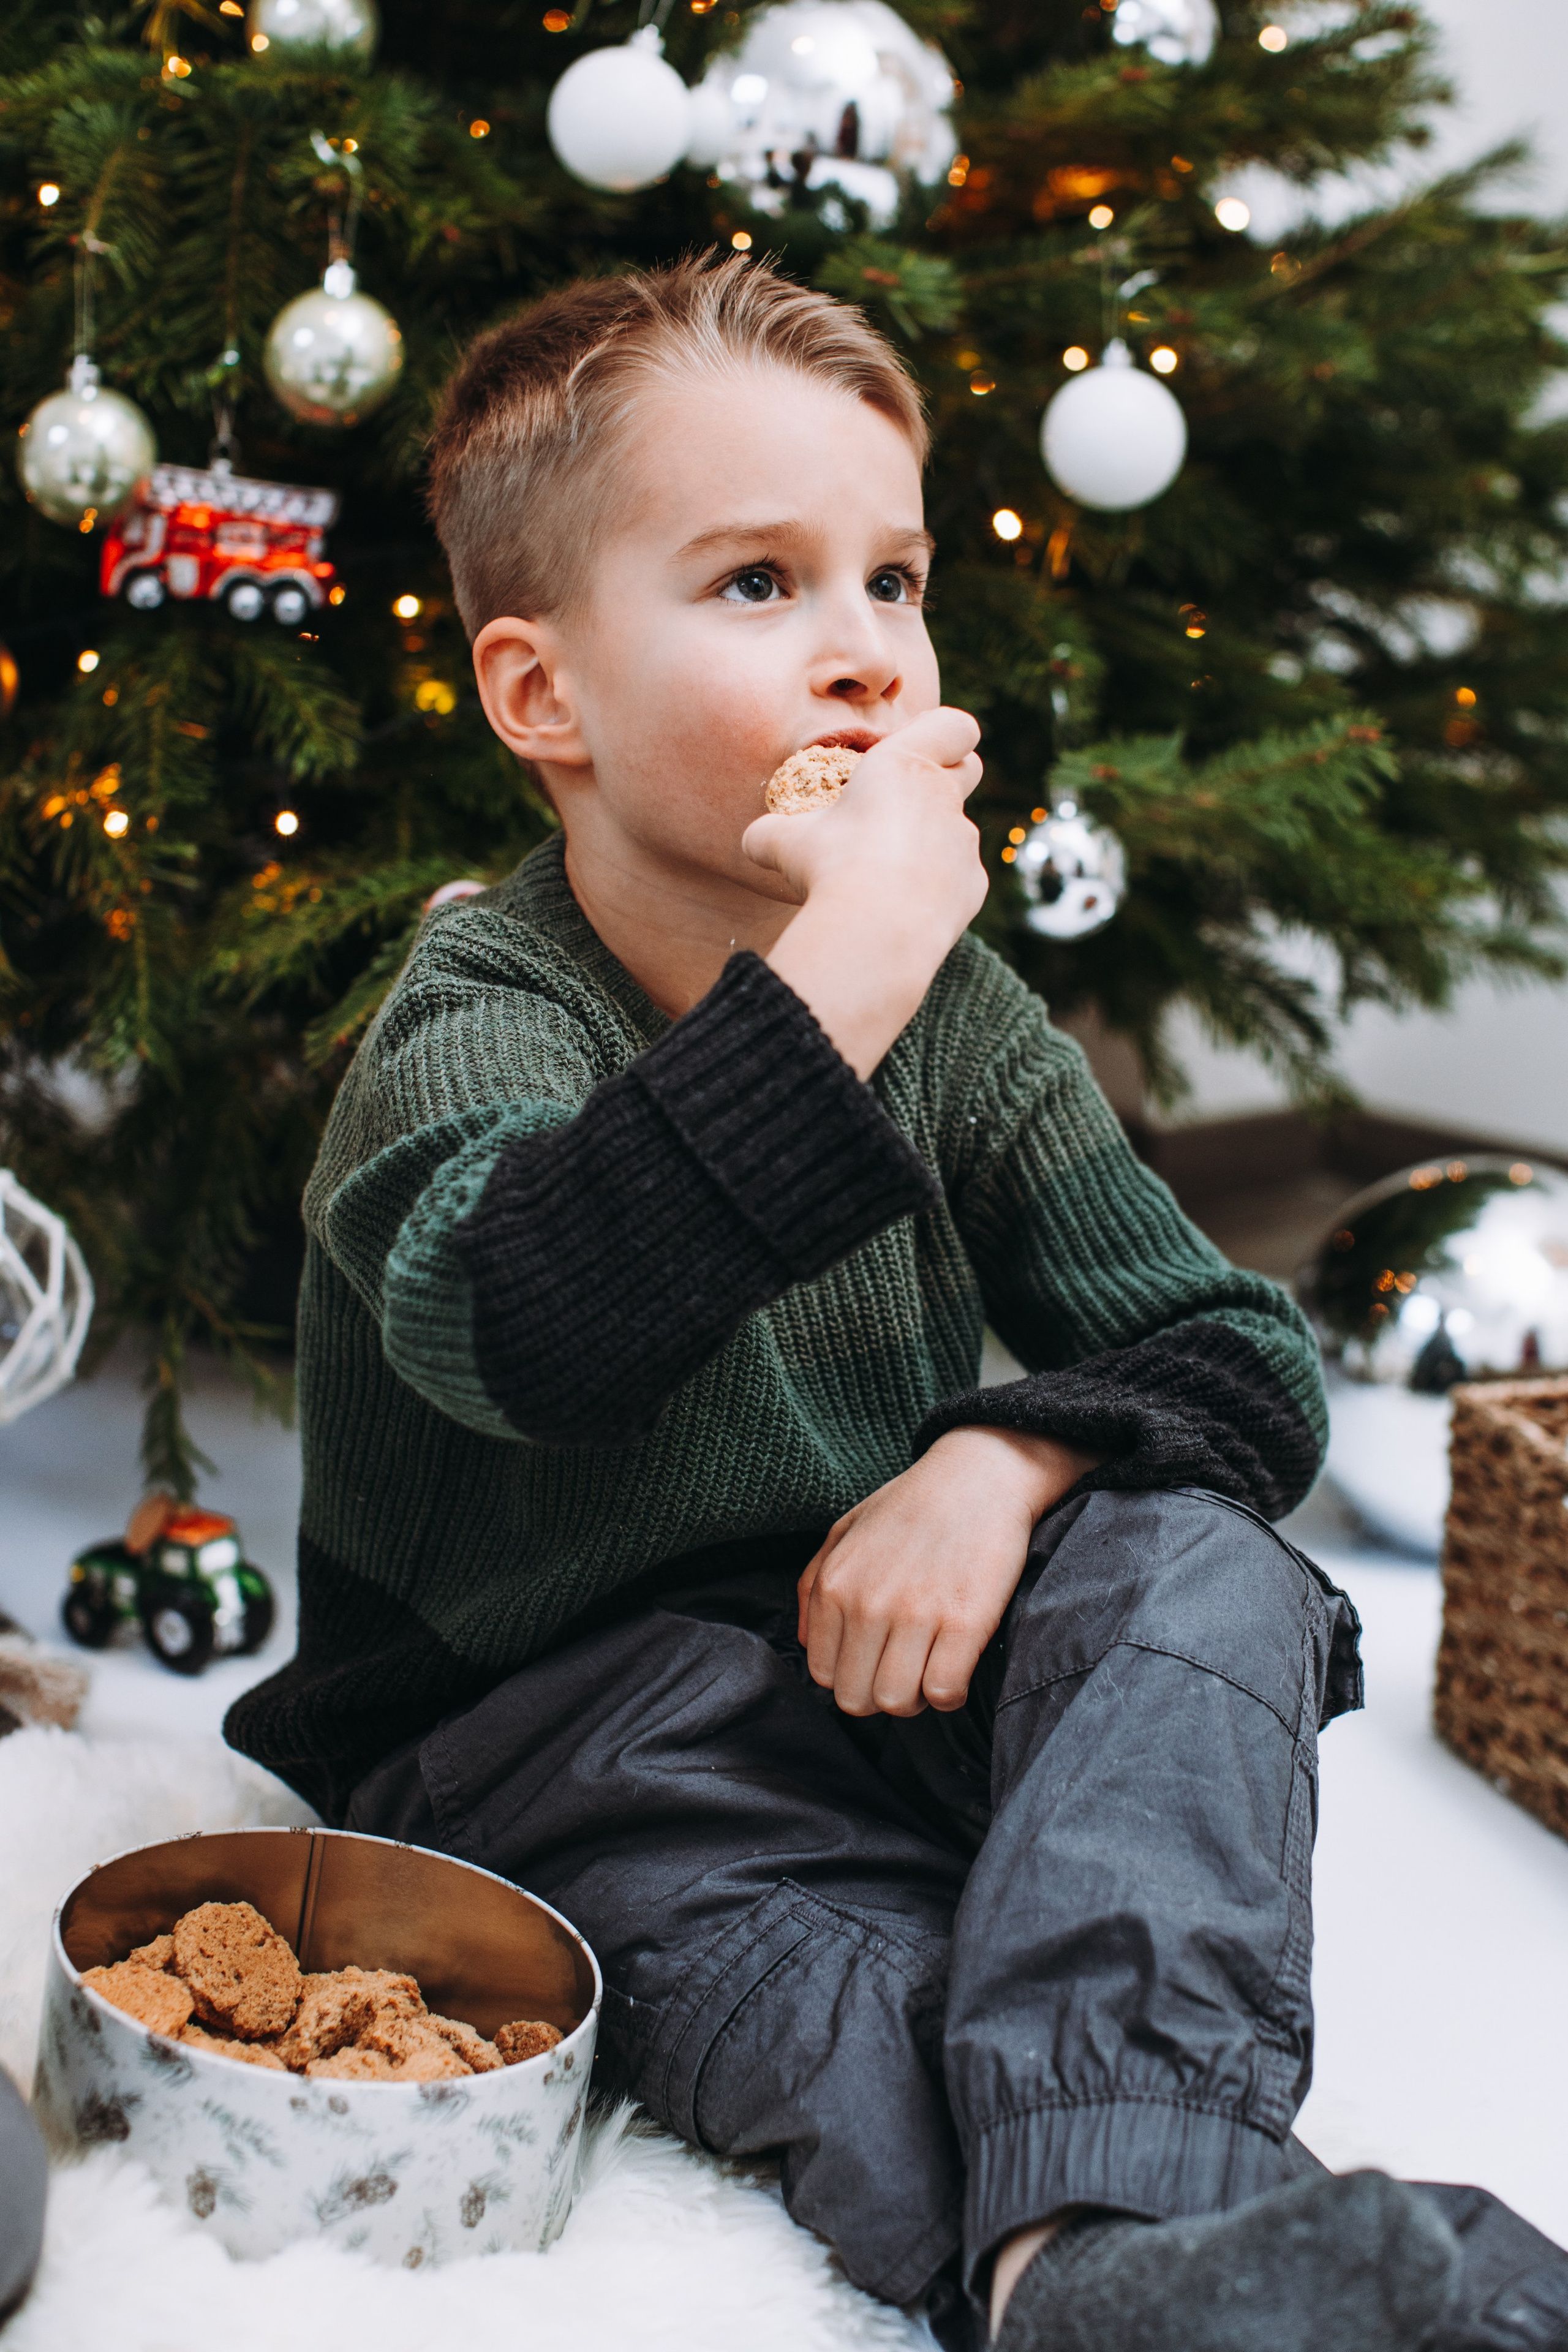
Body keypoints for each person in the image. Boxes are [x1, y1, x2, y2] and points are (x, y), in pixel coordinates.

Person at [226, 254, 1568, 2351]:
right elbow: (525, 1329)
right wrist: (843, 961)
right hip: (555, 1766)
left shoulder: (962, 1016)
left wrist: (1002, 1453)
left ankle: (1113, 2261)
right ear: (541, 697)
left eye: (895, 581)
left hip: (892, 1673)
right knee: (846, 1999)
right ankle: (1094, 2267)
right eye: (759, 585)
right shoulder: (474, 1018)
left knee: (1203, 1570)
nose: (860, 654)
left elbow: (1235, 1353)